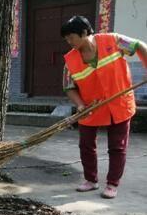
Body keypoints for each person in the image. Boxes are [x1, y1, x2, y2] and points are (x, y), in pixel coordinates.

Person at [61, 15, 147, 199]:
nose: (69, 42)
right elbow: (69, 87)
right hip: (90, 107)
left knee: (117, 147)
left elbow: (139, 45)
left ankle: (112, 184)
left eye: (71, 37)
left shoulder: (114, 41)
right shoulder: (70, 60)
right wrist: (80, 104)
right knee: (86, 145)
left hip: (119, 103)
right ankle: (91, 181)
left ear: (84, 33)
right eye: (66, 39)